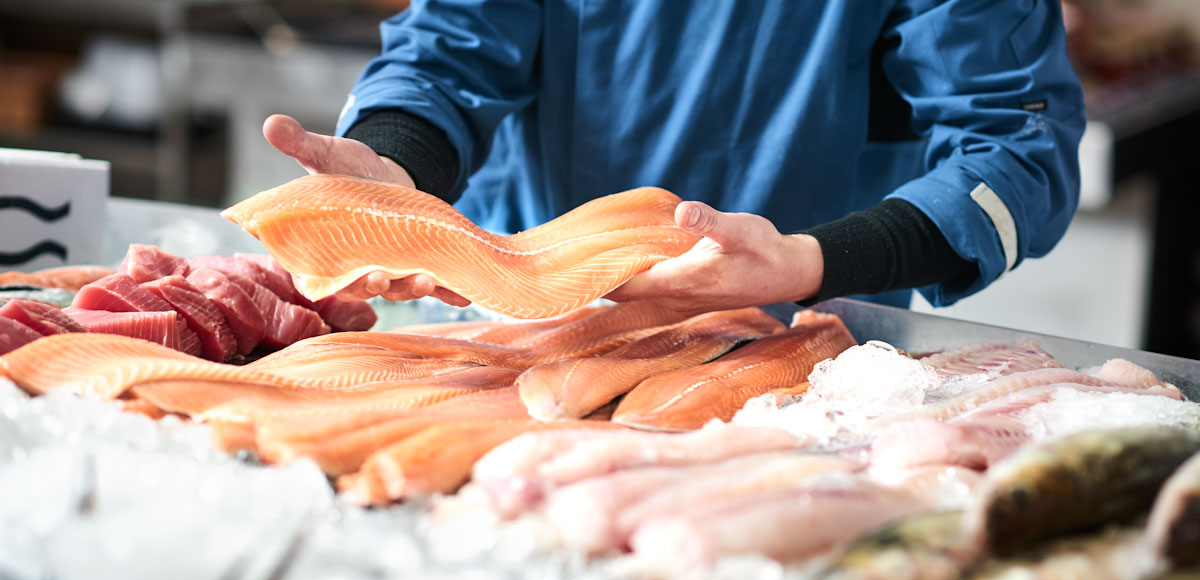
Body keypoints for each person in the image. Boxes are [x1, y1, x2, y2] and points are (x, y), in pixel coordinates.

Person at [264, 0, 1085, 315]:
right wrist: (394, 163)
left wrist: (807, 262)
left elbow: (1016, 148)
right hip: (523, 330)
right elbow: (449, 51)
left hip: (804, 356)